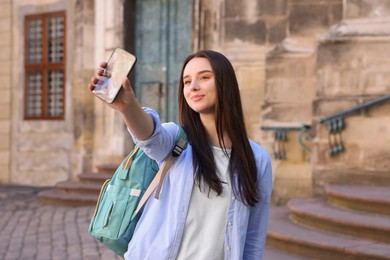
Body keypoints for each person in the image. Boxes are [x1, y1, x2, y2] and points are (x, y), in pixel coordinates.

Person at [89, 50, 273, 260]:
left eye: (204, 77)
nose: (193, 86)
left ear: (225, 83)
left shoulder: (257, 159)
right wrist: (127, 107)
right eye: (187, 81)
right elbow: (150, 136)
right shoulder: (177, 140)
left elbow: (253, 239)